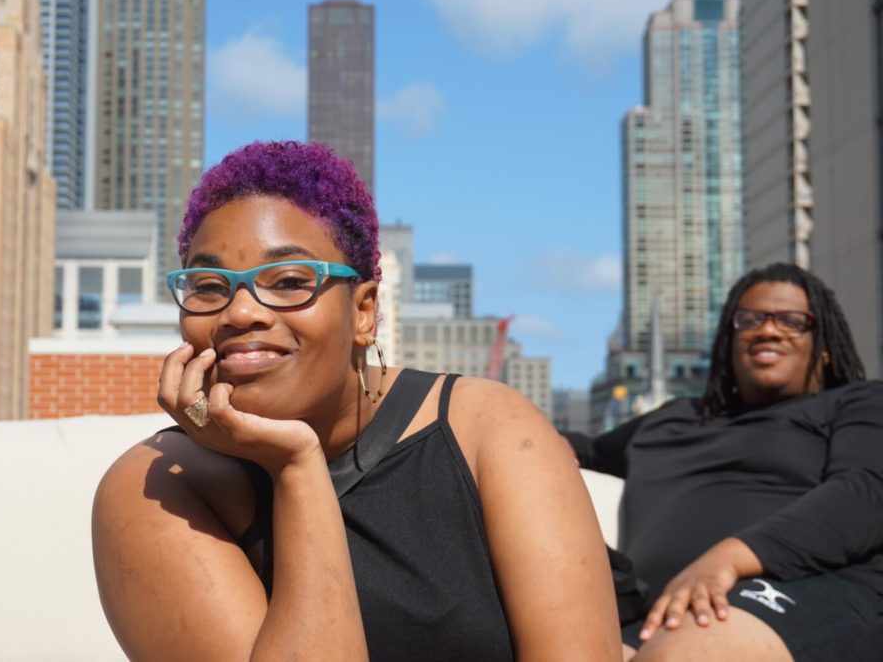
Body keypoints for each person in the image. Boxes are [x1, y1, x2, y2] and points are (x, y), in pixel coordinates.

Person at [92, 140, 621, 661]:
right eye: (209, 286)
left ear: (364, 311)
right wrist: (296, 468)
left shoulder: (489, 430)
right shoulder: (157, 488)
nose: (239, 312)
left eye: (289, 280)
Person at [564, 263, 883, 661]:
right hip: (656, 611)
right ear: (728, 341)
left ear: (824, 346)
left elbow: (865, 494)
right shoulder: (672, 418)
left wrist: (725, 560)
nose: (768, 329)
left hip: (810, 587)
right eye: (750, 319)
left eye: (792, 320)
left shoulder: (858, 403)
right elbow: (579, 451)